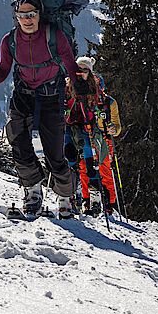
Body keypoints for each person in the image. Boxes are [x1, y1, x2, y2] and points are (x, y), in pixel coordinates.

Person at [0, 0, 81, 218]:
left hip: (51, 95)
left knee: (55, 154)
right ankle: (33, 191)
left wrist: (78, 84)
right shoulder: (10, 40)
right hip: (23, 94)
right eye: (22, 15)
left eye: (31, 14)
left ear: (39, 14)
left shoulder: (54, 35)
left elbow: (69, 63)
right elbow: (3, 69)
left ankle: (66, 197)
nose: (27, 19)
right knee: (18, 142)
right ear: (16, 16)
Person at [67, 56, 120, 214]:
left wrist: (114, 130)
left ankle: (109, 205)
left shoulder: (108, 101)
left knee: (105, 173)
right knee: (85, 168)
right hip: (86, 135)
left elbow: (117, 125)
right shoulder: (75, 93)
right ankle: (87, 201)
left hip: (103, 139)